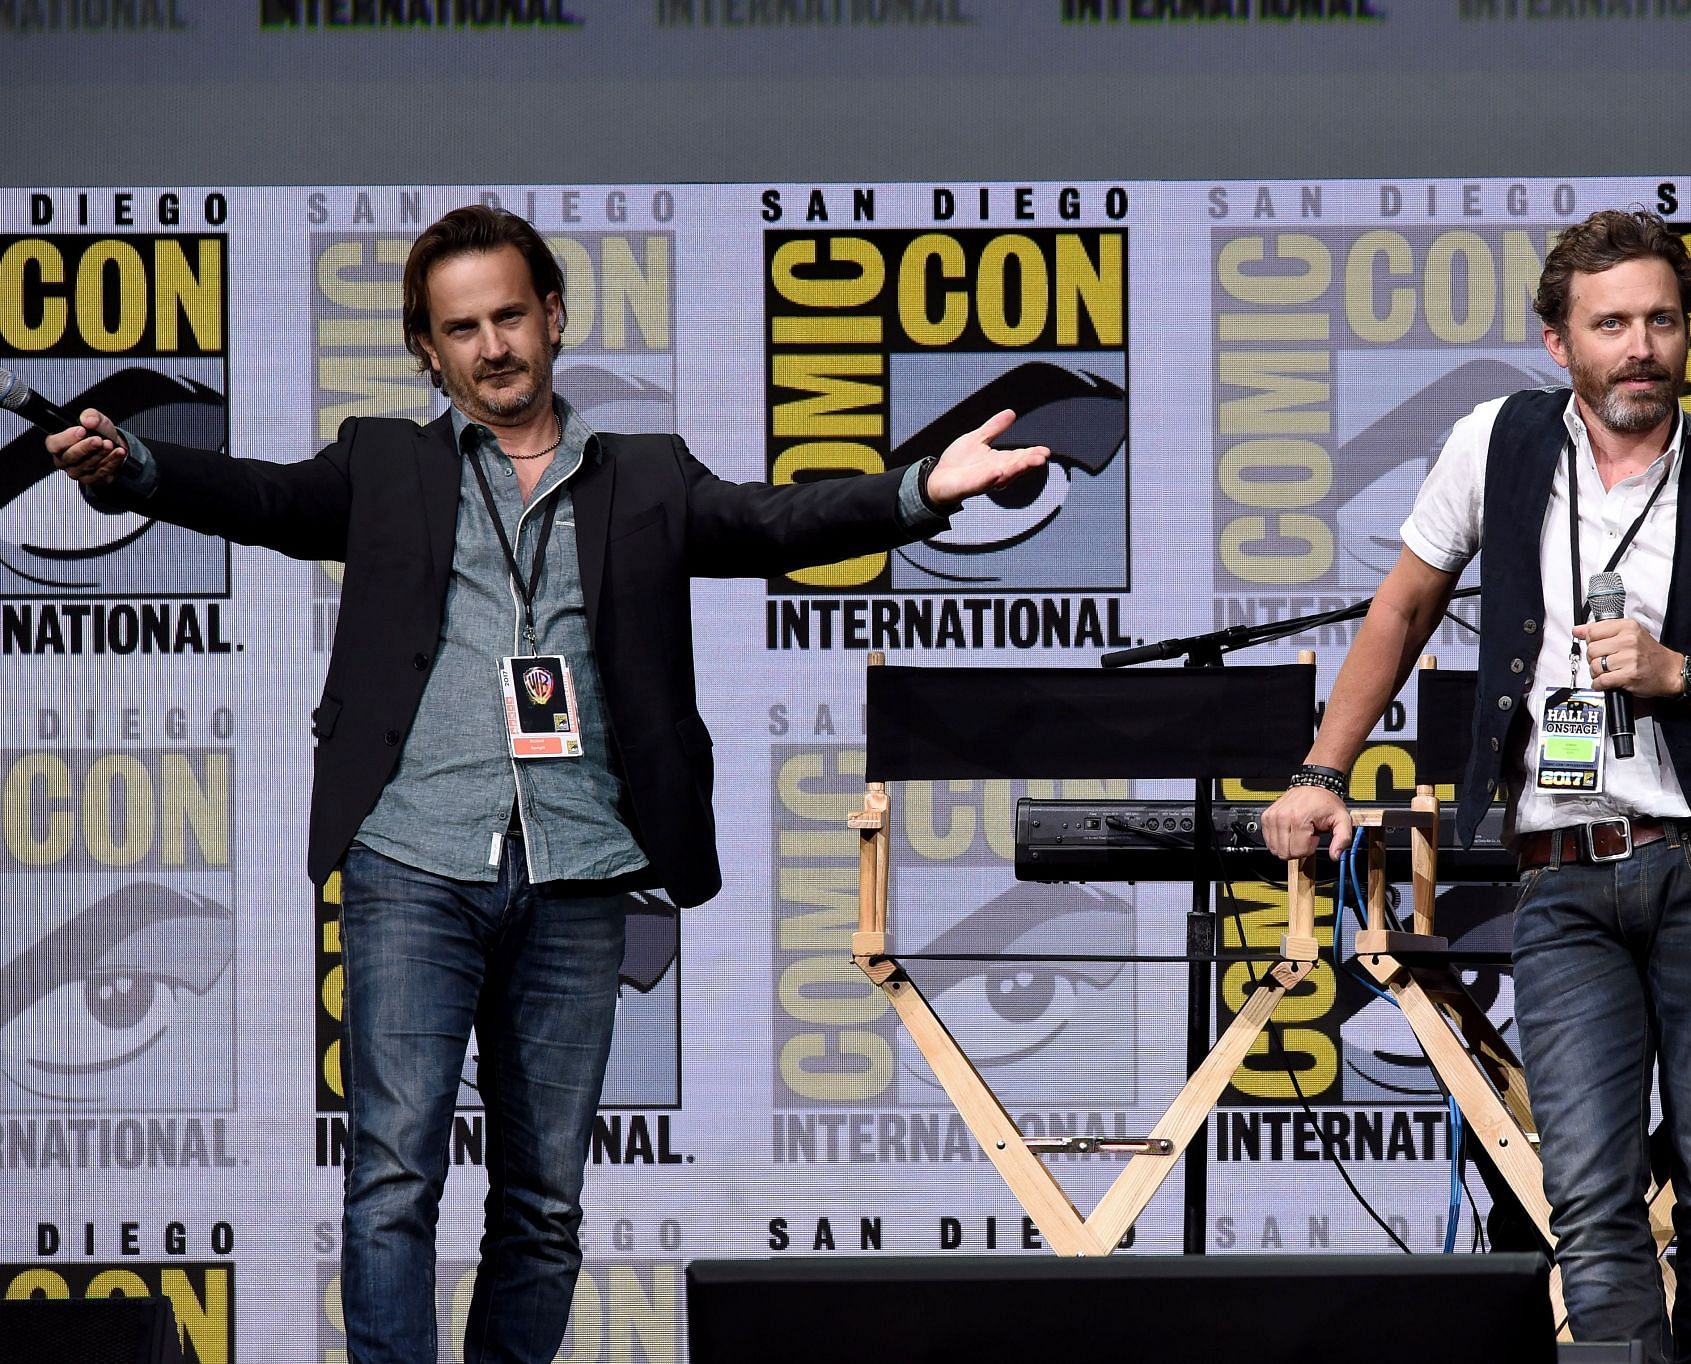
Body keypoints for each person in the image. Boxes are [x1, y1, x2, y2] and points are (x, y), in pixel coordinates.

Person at [47, 205, 1049, 1364]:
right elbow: (262, 500)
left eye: (510, 314)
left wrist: (922, 486)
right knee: (390, 1177)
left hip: (579, 871)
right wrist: (135, 471)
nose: (492, 345)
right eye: (460, 327)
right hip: (412, 861)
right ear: (428, 349)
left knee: (543, 1206)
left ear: (554, 315)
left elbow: (776, 522)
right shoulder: (382, 464)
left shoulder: (647, 474)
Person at [1259, 209, 1691, 1364]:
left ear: (1686, 336)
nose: (1642, 346)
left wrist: (1682, 673)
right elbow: (1404, 605)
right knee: (1585, 1192)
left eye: (1662, 322)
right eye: (1613, 323)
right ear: (1559, 342)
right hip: (1560, 873)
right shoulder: (1497, 444)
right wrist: (1322, 769)